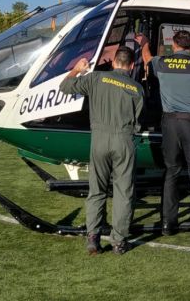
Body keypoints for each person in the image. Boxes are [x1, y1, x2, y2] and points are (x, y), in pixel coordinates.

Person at [59, 46, 144, 255]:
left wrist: (77, 69)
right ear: (132, 66)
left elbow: (65, 86)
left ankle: (93, 237)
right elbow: (138, 121)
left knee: (96, 190)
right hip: (123, 139)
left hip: (99, 139)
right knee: (124, 192)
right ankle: (119, 241)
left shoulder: (96, 78)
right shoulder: (136, 88)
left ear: (114, 62)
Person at [136, 30, 190, 246]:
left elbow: (146, 59)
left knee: (171, 172)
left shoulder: (162, 63)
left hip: (169, 123)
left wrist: (144, 43)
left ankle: (167, 224)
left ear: (173, 44)